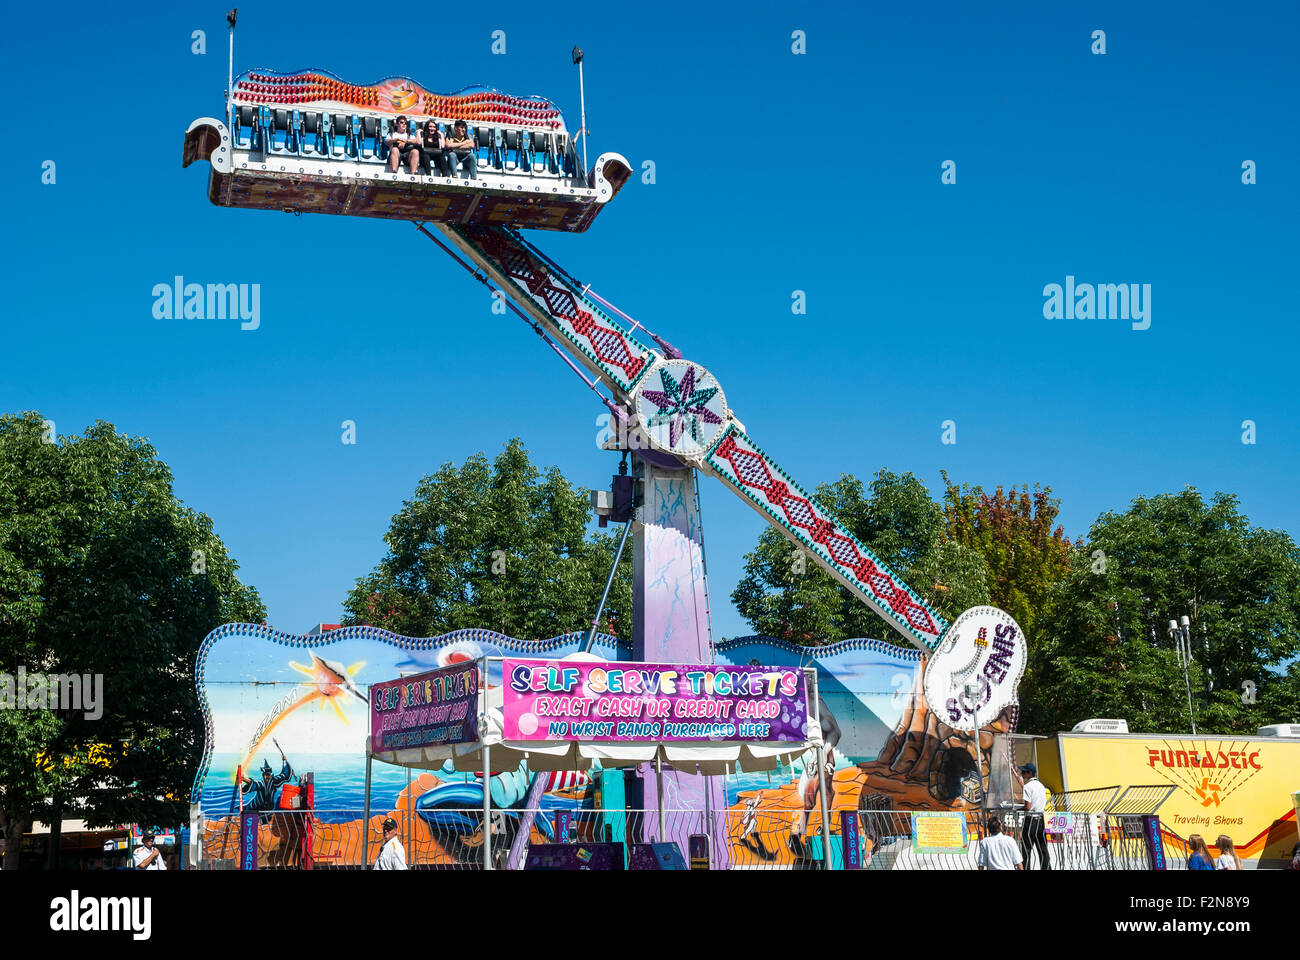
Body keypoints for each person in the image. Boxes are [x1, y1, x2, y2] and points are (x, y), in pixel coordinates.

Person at [1018, 762, 1050, 870]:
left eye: (1024, 772)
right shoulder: (1041, 786)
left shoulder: (1027, 787)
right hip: (1041, 819)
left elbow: (1027, 807)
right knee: (1043, 848)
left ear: (1030, 773)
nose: (1022, 774)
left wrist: (1017, 810)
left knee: (1026, 848)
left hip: (1030, 820)